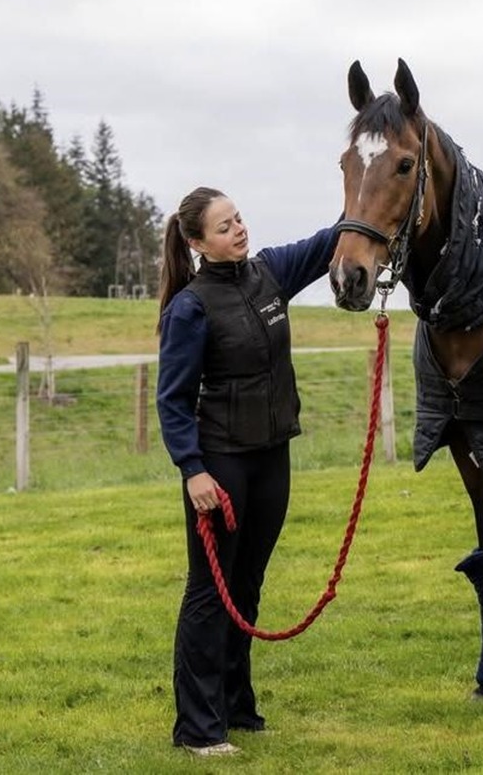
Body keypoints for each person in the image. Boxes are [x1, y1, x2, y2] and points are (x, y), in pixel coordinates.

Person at [156, 186, 340, 757]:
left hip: (271, 457)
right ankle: (197, 728)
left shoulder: (269, 274)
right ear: (197, 244)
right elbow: (173, 399)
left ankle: (237, 707)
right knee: (211, 593)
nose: (238, 230)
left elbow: (329, 241)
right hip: (221, 464)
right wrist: (193, 470)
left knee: (248, 587)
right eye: (223, 227)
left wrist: (371, 190)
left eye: (238, 219)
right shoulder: (191, 307)